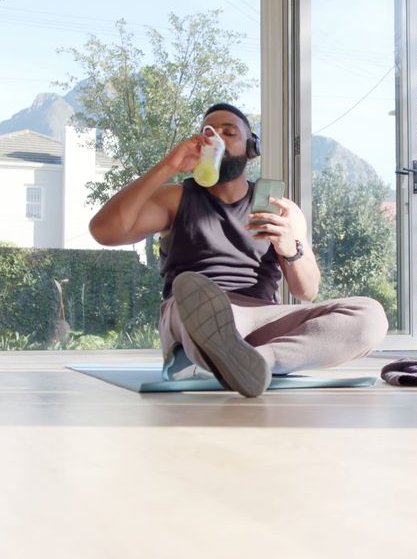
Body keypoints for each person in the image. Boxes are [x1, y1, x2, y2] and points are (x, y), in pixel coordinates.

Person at [89, 103, 388, 398]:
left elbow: (306, 291)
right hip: (193, 309)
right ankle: (226, 354)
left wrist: (289, 248)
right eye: (208, 133)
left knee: (370, 316)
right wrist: (169, 165)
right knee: (190, 300)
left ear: (251, 148)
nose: (215, 138)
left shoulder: (280, 208)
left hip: (262, 317)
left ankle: (258, 362)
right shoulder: (176, 197)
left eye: (229, 132)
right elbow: (104, 231)